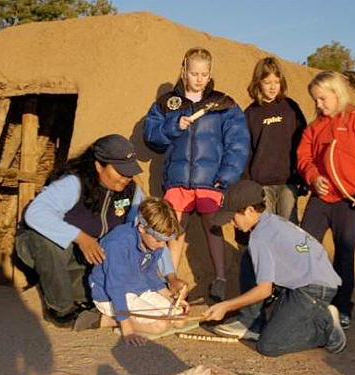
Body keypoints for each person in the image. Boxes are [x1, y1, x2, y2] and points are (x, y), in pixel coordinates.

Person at [15, 134, 181, 329]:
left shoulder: (132, 192)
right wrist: (80, 238)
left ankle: (78, 299)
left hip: (91, 258)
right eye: (120, 171)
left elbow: (150, 233)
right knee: (46, 242)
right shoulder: (74, 183)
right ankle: (61, 311)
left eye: (129, 172)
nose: (126, 178)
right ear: (99, 166)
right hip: (48, 248)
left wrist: (171, 277)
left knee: (98, 288)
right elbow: (35, 214)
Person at [143, 47, 250, 301]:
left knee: (213, 229)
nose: (199, 78)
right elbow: (151, 136)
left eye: (204, 73)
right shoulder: (168, 103)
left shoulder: (223, 104)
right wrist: (173, 126)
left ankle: (220, 280)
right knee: (174, 232)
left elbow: (238, 143)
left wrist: (225, 176)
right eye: (194, 73)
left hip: (210, 181)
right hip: (177, 180)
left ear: (210, 73)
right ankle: (170, 283)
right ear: (184, 71)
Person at [202, 180, 347, 357]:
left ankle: (325, 329)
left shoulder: (259, 238)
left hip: (312, 290)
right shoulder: (273, 220)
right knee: (249, 258)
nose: (232, 223)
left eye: (233, 218)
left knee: (269, 345)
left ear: (249, 210)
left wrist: (226, 306)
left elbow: (264, 290)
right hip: (316, 281)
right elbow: (306, 250)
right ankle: (253, 322)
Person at [297, 71, 355, 329]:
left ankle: (342, 307)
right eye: (315, 100)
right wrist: (313, 177)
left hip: (349, 202)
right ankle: (303, 301)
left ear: (337, 93)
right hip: (321, 198)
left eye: (323, 99)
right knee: (304, 246)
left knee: (344, 255)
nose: (319, 105)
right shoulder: (315, 126)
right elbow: (303, 156)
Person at [89, 197, 195, 346]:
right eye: (159, 240)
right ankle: (110, 320)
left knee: (179, 320)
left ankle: (127, 318)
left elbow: (150, 272)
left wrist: (171, 297)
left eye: (166, 241)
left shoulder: (154, 244)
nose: (162, 245)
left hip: (138, 287)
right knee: (159, 326)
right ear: (142, 228)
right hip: (110, 294)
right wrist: (128, 329)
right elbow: (115, 287)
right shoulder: (118, 244)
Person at [243, 56, 306, 224]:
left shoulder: (290, 108)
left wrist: (303, 177)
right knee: (266, 228)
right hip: (260, 185)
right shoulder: (250, 113)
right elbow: (245, 151)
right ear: (258, 83)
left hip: (288, 183)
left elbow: (303, 143)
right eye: (267, 82)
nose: (272, 87)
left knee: (289, 229)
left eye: (276, 82)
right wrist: (247, 183)